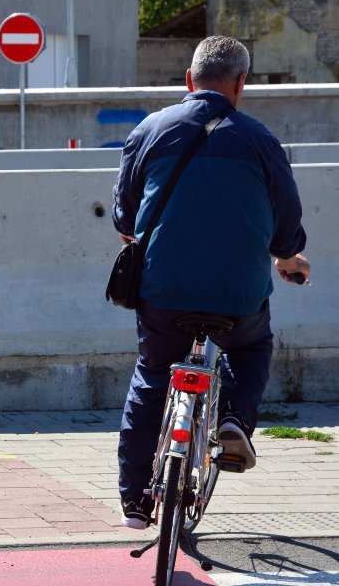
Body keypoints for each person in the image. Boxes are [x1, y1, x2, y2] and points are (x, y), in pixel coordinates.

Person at [111, 35, 311, 530]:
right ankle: (234, 421)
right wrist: (290, 259)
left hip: (163, 290)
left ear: (188, 80)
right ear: (241, 83)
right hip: (237, 295)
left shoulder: (150, 131)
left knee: (154, 372)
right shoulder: (262, 141)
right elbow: (287, 228)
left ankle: (135, 501)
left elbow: (124, 215)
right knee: (249, 348)